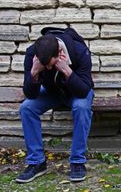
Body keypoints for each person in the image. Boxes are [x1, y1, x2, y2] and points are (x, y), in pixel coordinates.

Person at [16, 27, 94, 183]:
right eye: (46, 66)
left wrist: (67, 71)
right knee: (26, 108)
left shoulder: (79, 51)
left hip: (77, 91)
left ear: (59, 53)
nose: (49, 69)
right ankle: (37, 162)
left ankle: (77, 162)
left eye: (51, 65)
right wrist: (34, 73)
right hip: (52, 92)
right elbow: (30, 94)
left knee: (82, 107)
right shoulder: (32, 54)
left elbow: (84, 90)